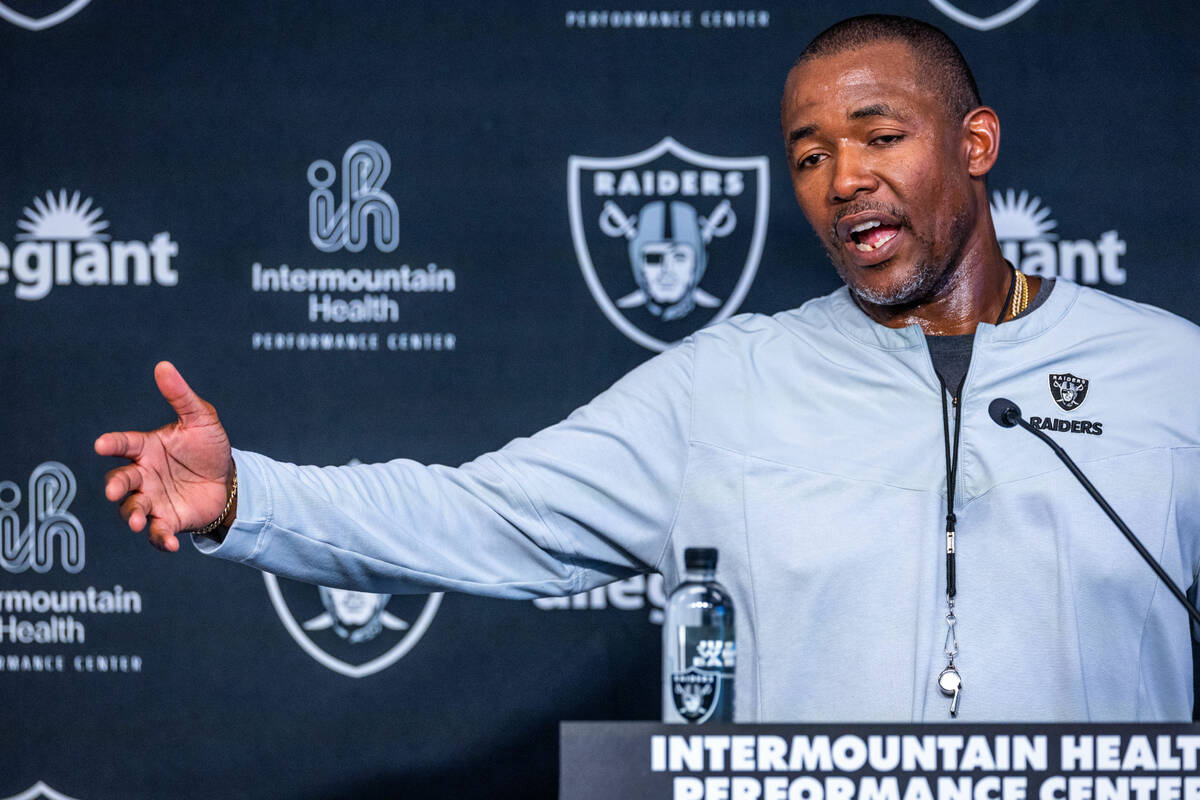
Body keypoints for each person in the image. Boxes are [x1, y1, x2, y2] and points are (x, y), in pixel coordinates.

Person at [95, 15, 1200, 722]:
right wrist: (250, 496)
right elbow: (487, 514)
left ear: (975, 144)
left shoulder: (1168, 373)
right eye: (810, 154)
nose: (843, 177)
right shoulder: (732, 383)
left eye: (879, 135)